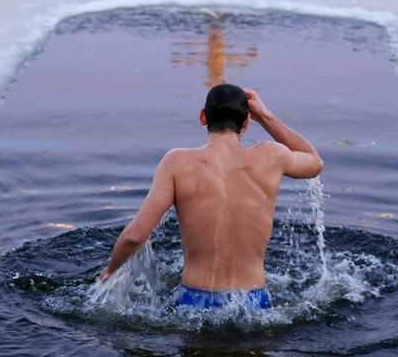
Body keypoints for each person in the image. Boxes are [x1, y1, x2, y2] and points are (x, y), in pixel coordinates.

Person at [99, 84, 323, 309]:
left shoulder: (177, 162)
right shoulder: (272, 155)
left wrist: (110, 271)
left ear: (203, 117)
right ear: (246, 122)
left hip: (194, 303)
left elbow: (135, 236)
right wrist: (266, 117)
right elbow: (314, 162)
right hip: (254, 303)